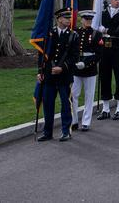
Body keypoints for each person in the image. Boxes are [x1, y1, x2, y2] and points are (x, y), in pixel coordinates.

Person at [37, 8, 79, 142]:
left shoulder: (73, 35)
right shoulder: (49, 34)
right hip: (49, 75)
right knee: (48, 104)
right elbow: (42, 54)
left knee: (65, 104)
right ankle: (47, 132)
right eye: (66, 18)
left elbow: (74, 57)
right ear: (59, 19)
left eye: (69, 18)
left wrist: (62, 68)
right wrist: (40, 72)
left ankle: (66, 131)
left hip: (64, 76)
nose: (69, 20)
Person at [96, 0, 119, 119]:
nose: (117, 2)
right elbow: (97, 28)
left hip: (117, 48)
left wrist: (107, 30)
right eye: (115, 0)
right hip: (105, 48)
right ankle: (105, 109)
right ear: (111, 0)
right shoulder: (103, 13)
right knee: (104, 77)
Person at [70, 9, 100, 132]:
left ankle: (86, 122)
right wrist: (75, 62)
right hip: (76, 68)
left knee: (89, 96)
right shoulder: (75, 32)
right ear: (81, 20)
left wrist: (86, 63)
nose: (88, 21)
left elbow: (98, 54)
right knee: (73, 95)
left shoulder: (96, 34)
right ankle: (74, 120)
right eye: (86, 19)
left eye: (90, 20)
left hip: (90, 69)